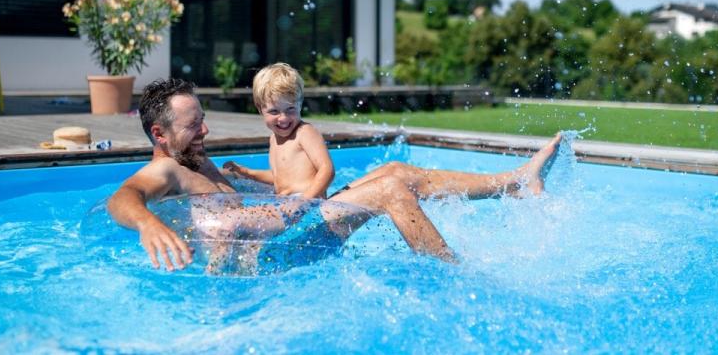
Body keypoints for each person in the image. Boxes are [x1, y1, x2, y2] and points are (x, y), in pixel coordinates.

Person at [107, 77, 563, 273]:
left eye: (203, 119)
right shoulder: (166, 167)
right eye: (193, 126)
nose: (205, 130)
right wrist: (148, 222)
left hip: (287, 229)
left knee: (395, 169)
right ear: (159, 134)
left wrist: (249, 178)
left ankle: (516, 182)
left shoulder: (197, 161)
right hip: (275, 256)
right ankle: (455, 279)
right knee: (389, 190)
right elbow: (123, 197)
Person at [221, 63, 333, 199]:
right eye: (274, 111)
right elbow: (279, 177)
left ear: (300, 104)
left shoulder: (305, 132)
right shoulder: (273, 139)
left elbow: (327, 169)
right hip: (287, 202)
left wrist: (304, 200)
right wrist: (248, 172)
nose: (283, 118)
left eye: (290, 109)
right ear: (259, 109)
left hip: (308, 202)